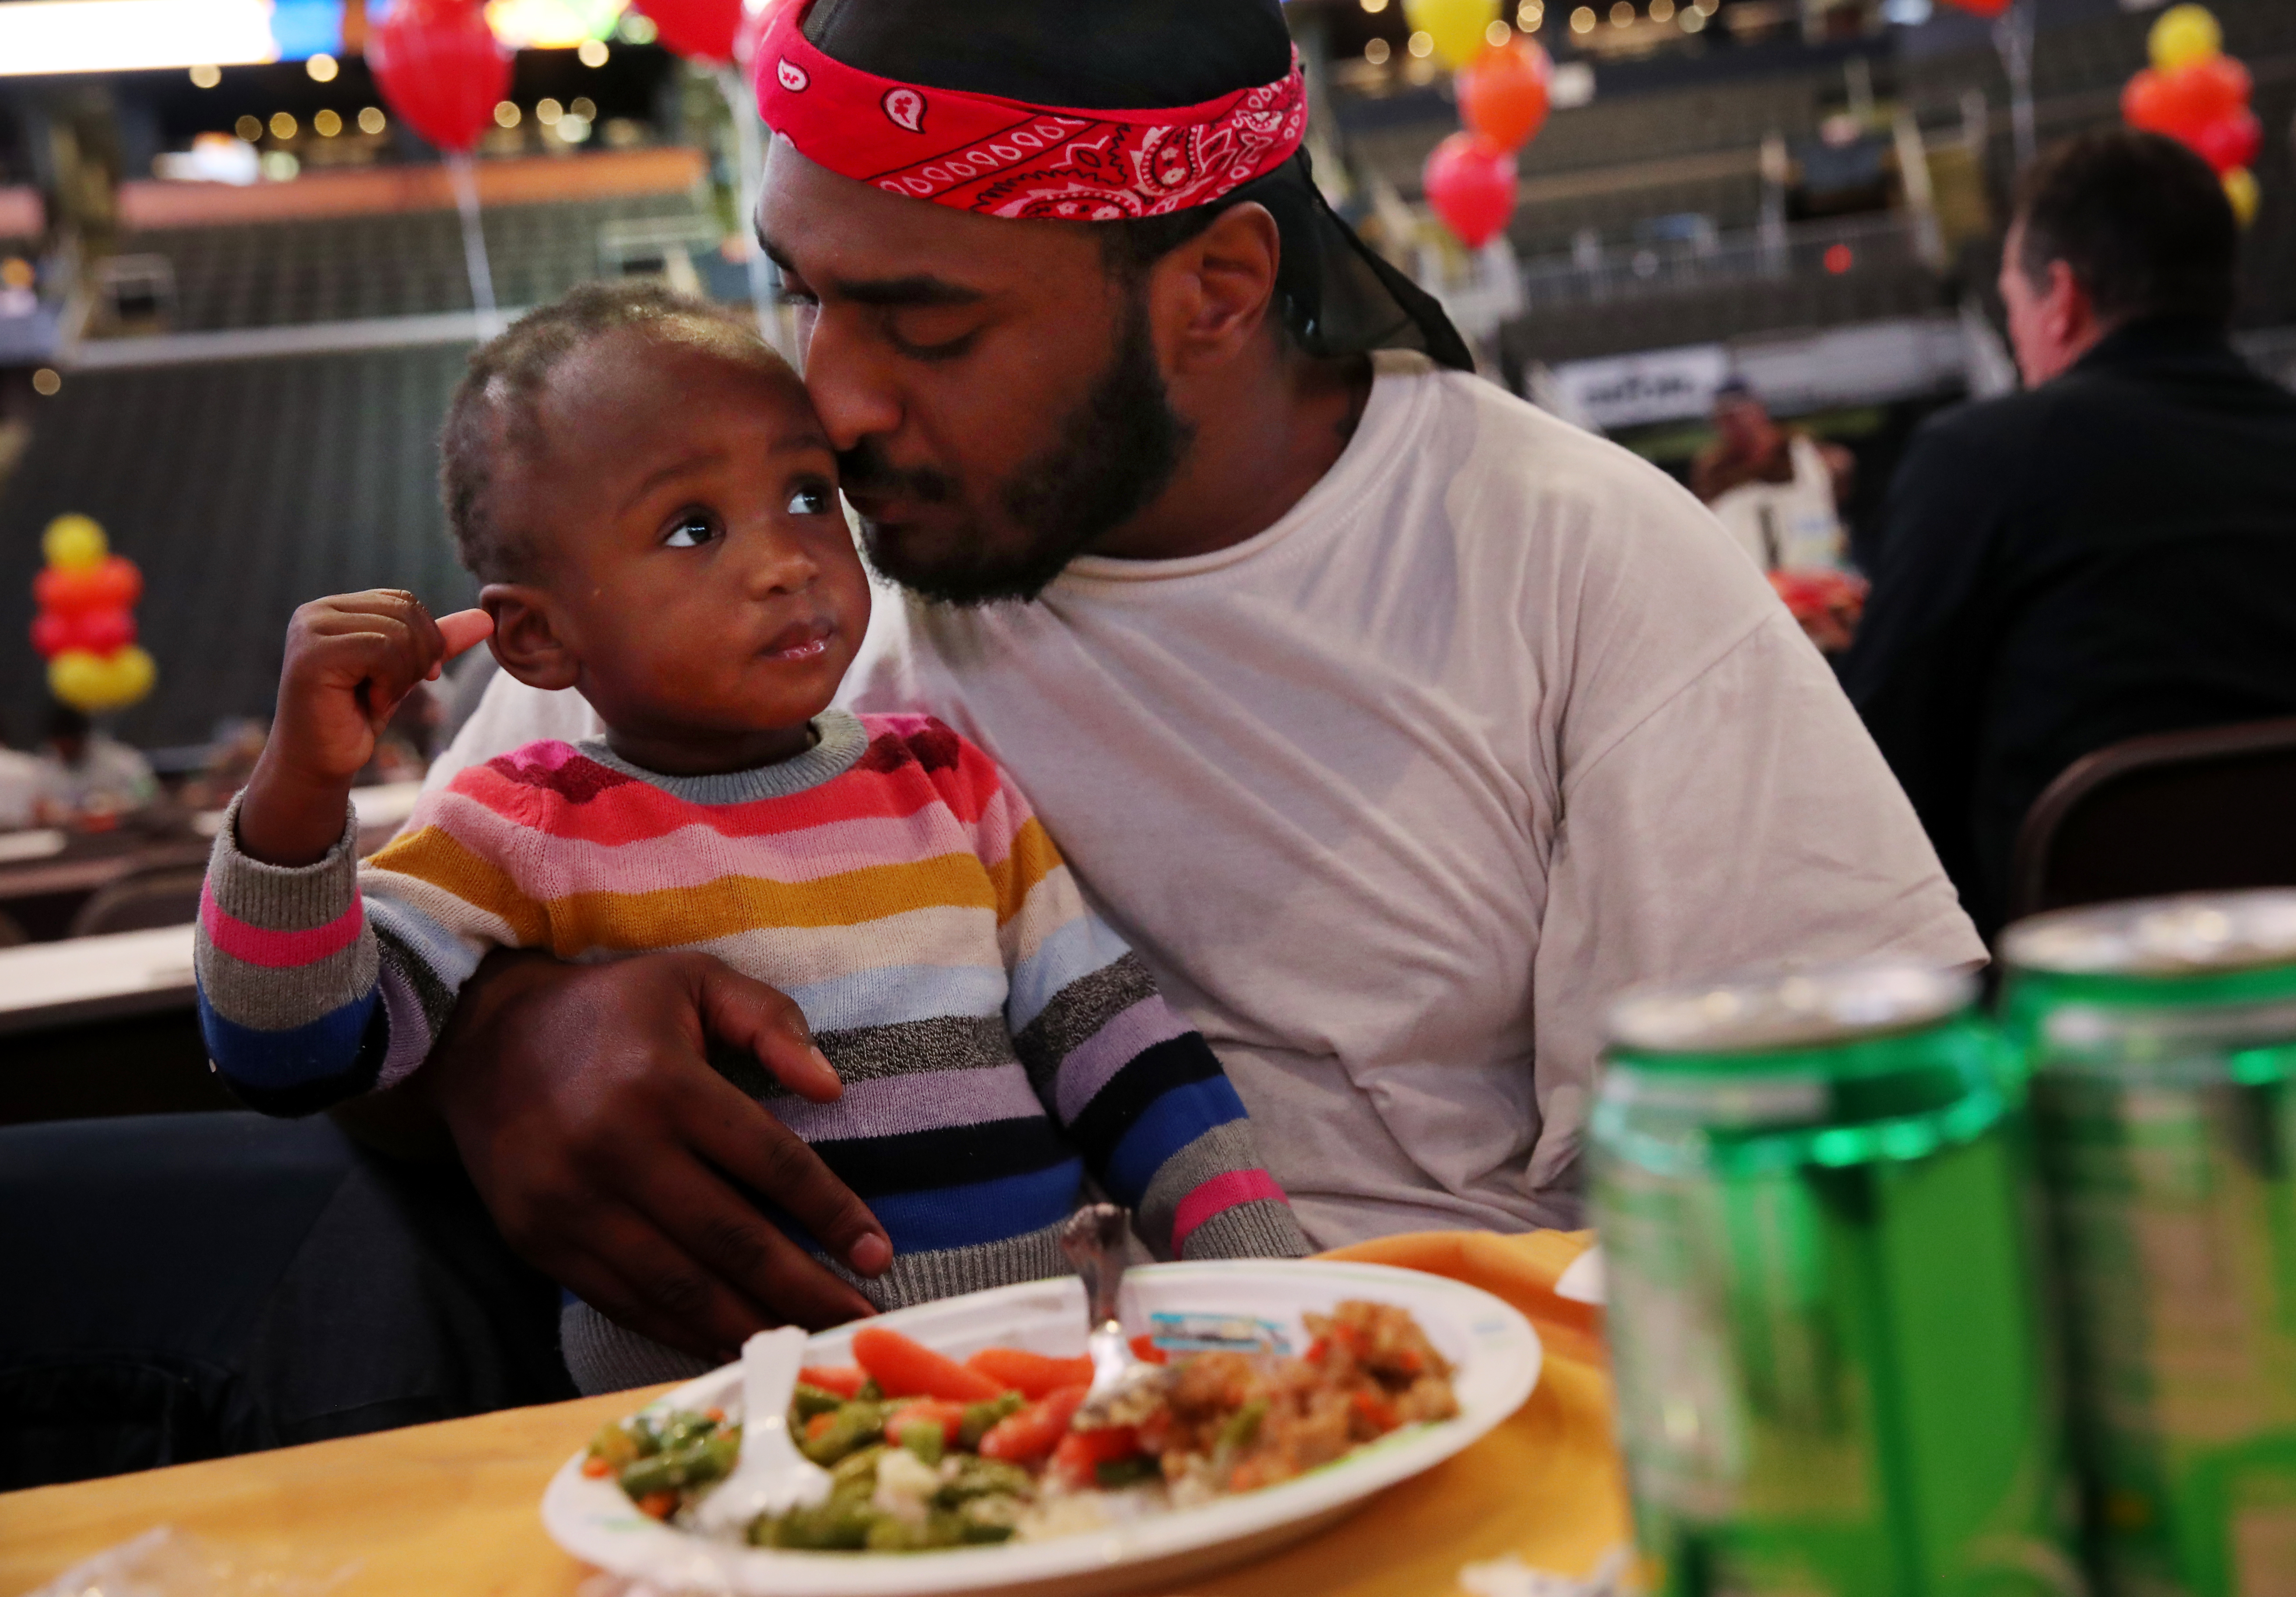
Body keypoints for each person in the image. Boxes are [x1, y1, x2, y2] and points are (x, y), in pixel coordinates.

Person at [0, 0, 1978, 1482]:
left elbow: (1843, 1213)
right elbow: (383, 1007)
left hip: (1297, 1439)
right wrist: (508, 1050)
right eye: (796, 294)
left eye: (920, 322)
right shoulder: (771, 538)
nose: (825, 405)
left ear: (1211, 289)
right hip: (704, 1435)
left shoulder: (1564, 562)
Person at [194, 284, 1303, 1392]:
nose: (788, 560)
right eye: (694, 528)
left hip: (1038, 1365)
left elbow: (1123, 1054)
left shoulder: (942, 783)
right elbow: (290, 1046)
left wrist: (1276, 1286)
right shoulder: (518, 823)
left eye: (808, 495)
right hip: (735, 1416)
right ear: (536, 636)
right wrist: (299, 792)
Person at [1840, 130, 2296, 936]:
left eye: (2012, 305)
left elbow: (1877, 769)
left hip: (2082, 1005)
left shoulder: (1978, 459)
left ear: (2059, 298)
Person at [1689, 379, 1856, 575]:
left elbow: (1840, 484)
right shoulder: (1714, 470)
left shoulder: (1805, 455)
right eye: (1724, 419)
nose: (1734, 425)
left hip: (1812, 580)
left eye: (1738, 415)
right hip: (1752, 583)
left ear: (1759, 411)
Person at [34, 705, 158, 822]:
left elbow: (148, 792)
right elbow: (40, 806)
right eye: (59, 746)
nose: (63, 752)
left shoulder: (121, 759)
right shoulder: (48, 763)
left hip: (124, 830)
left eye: (68, 745)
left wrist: (121, 803)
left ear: (82, 738)